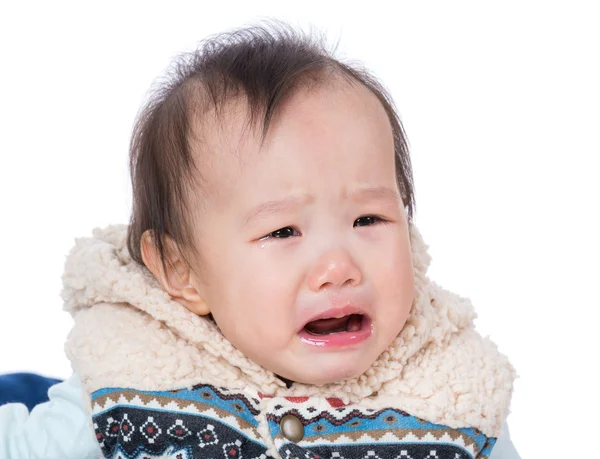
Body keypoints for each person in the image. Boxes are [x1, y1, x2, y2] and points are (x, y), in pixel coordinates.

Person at [0, 21, 520, 459]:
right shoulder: (128, 377)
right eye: (283, 231)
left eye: (368, 220)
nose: (339, 266)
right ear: (182, 273)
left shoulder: (452, 394)